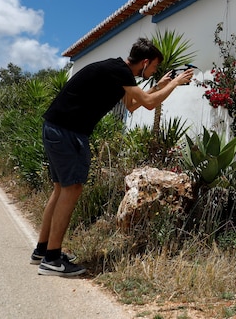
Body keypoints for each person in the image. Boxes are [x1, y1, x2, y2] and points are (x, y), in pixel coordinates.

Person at [32, 37, 195, 277]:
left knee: (61, 189)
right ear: (145, 62)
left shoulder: (117, 71)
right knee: (72, 188)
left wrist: (159, 86)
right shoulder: (119, 70)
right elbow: (149, 104)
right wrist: (176, 83)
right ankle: (53, 259)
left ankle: (43, 250)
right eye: (153, 68)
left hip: (58, 128)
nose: (153, 71)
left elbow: (131, 105)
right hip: (68, 132)